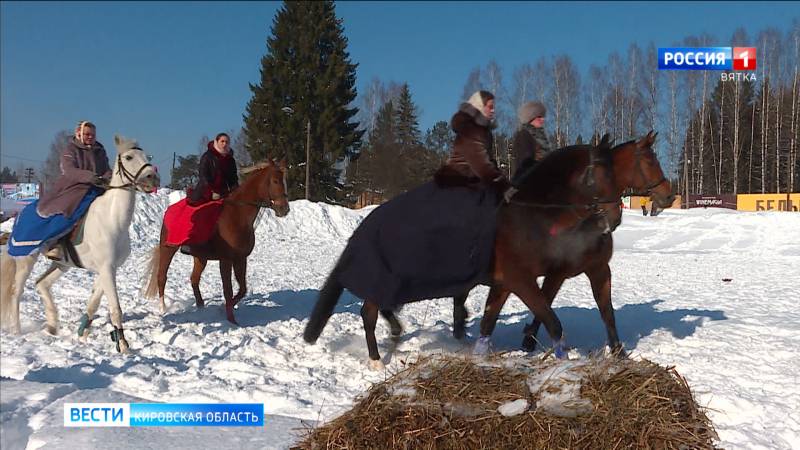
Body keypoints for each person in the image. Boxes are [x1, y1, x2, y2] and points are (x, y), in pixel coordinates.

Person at [436, 90, 516, 203]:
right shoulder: (470, 130)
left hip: (472, 183)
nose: (493, 110)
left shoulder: (484, 131)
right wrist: (503, 186)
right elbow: (481, 165)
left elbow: (488, 161)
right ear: (480, 107)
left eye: (493, 107)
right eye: (490, 107)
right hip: (458, 183)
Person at [187, 133, 239, 206]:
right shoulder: (207, 156)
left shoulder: (230, 160)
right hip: (205, 192)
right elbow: (203, 176)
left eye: (227, 142)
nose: (224, 144)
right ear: (216, 142)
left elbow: (233, 178)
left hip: (223, 192)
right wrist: (212, 191)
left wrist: (236, 191)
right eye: (222, 141)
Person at [511, 101, 552, 184]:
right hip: (528, 182)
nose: (542, 120)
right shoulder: (524, 134)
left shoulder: (542, 137)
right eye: (539, 117)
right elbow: (525, 162)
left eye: (543, 117)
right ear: (530, 118)